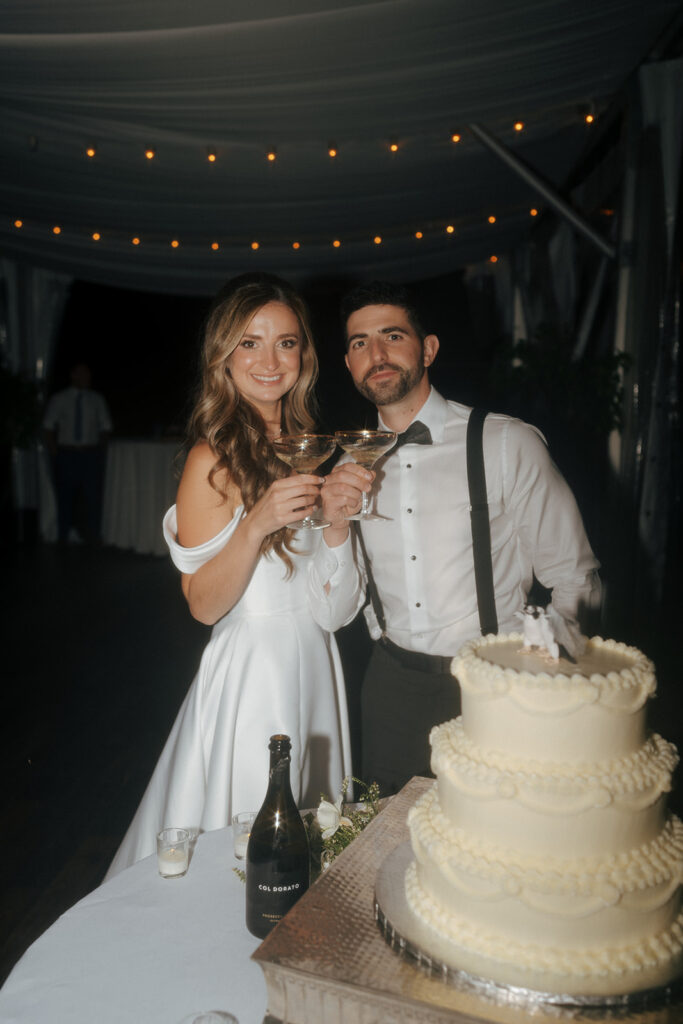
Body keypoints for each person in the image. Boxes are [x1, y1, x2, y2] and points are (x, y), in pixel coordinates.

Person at [309, 280, 601, 795]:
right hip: (390, 689)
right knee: (385, 853)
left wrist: (543, 673)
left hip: (494, 680)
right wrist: (333, 526)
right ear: (349, 363)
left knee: (495, 849)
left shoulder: (508, 443)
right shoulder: (345, 467)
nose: (375, 354)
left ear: (428, 348)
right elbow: (334, 616)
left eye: (392, 336)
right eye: (359, 343)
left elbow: (577, 579)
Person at [105, 275, 352, 878]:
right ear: (224, 357)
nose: (270, 361)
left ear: (304, 356)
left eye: (286, 343)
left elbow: (337, 612)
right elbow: (203, 606)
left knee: (312, 844)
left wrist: (340, 524)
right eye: (250, 343)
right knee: (242, 853)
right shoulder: (210, 459)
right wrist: (255, 523)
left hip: (318, 663)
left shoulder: (313, 448)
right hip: (251, 677)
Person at [42, 362, 112, 543]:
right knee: (65, 497)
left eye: (88, 374)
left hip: (90, 454)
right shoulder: (59, 399)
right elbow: (48, 426)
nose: (87, 378)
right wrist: (55, 452)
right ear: (73, 375)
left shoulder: (97, 399)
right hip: (67, 454)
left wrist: (99, 451)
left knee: (93, 498)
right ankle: (62, 536)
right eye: (82, 374)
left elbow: (106, 426)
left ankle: (93, 537)